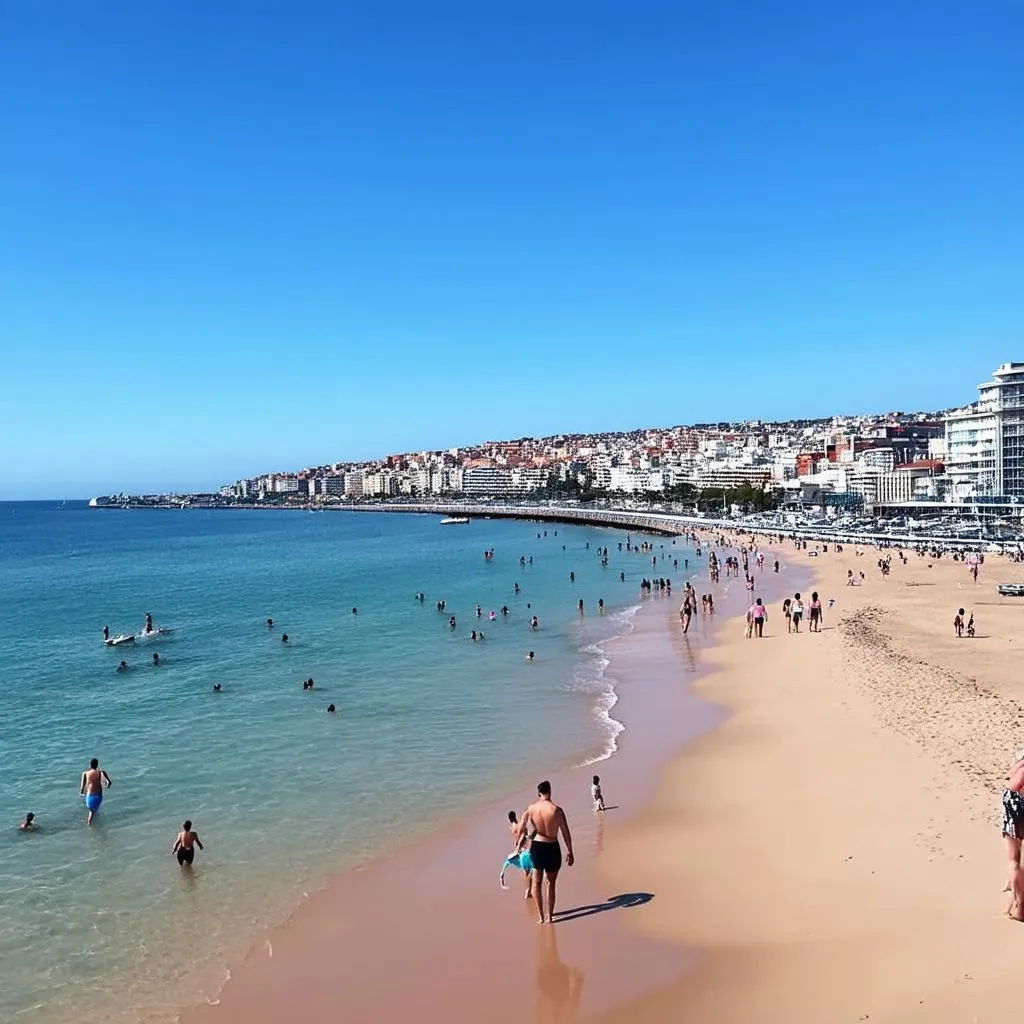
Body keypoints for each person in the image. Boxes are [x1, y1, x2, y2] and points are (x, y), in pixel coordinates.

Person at [516, 781, 574, 925]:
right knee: (551, 883)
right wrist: (570, 851)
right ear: (550, 791)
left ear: (539, 793)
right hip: (553, 847)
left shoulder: (531, 809)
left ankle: (541, 918)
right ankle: (550, 916)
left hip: (537, 848)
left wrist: (518, 845)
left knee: (536, 883)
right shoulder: (557, 810)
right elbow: (565, 832)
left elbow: (521, 829)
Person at [1005, 752, 1024, 919]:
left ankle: (1019, 907)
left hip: (1014, 799)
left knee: (1013, 860)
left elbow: (1011, 776)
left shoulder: (1021, 766)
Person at [502, 810, 534, 898]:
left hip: (518, 850)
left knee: (525, 871)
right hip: (525, 848)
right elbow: (524, 835)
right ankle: (528, 890)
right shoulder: (519, 826)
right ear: (515, 816)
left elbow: (516, 838)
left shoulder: (511, 828)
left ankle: (528, 889)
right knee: (531, 869)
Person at [80, 758, 111, 825]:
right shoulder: (101, 772)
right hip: (98, 796)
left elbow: (82, 786)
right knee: (93, 811)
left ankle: (91, 825)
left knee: (92, 811)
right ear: (97, 765)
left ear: (90, 765)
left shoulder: (85, 773)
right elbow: (108, 782)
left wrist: (81, 792)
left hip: (89, 797)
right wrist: (107, 783)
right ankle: (90, 825)